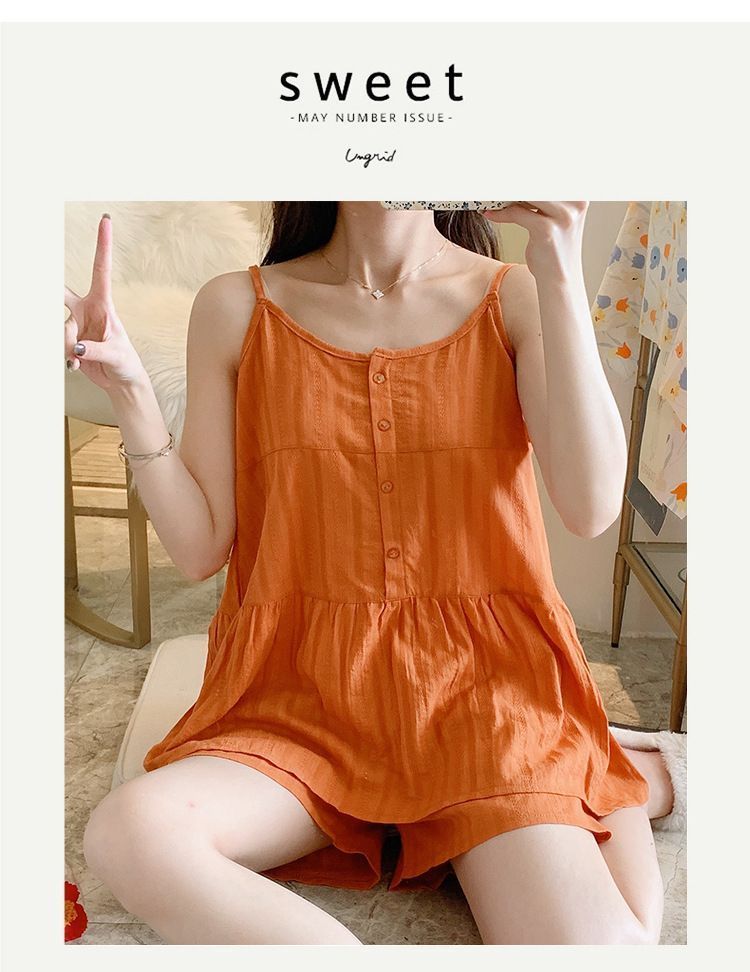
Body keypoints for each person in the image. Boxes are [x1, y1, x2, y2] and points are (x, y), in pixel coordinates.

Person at [67, 202, 680, 946]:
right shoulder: (235, 307)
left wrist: (557, 258)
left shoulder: (512, 295)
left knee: (601, 946)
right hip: (297, 700)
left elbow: (590, 507)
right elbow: (200, 550)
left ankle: (601, 767)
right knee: (130, 834)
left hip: (485, 700)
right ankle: (606, 770)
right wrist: (131, 391)